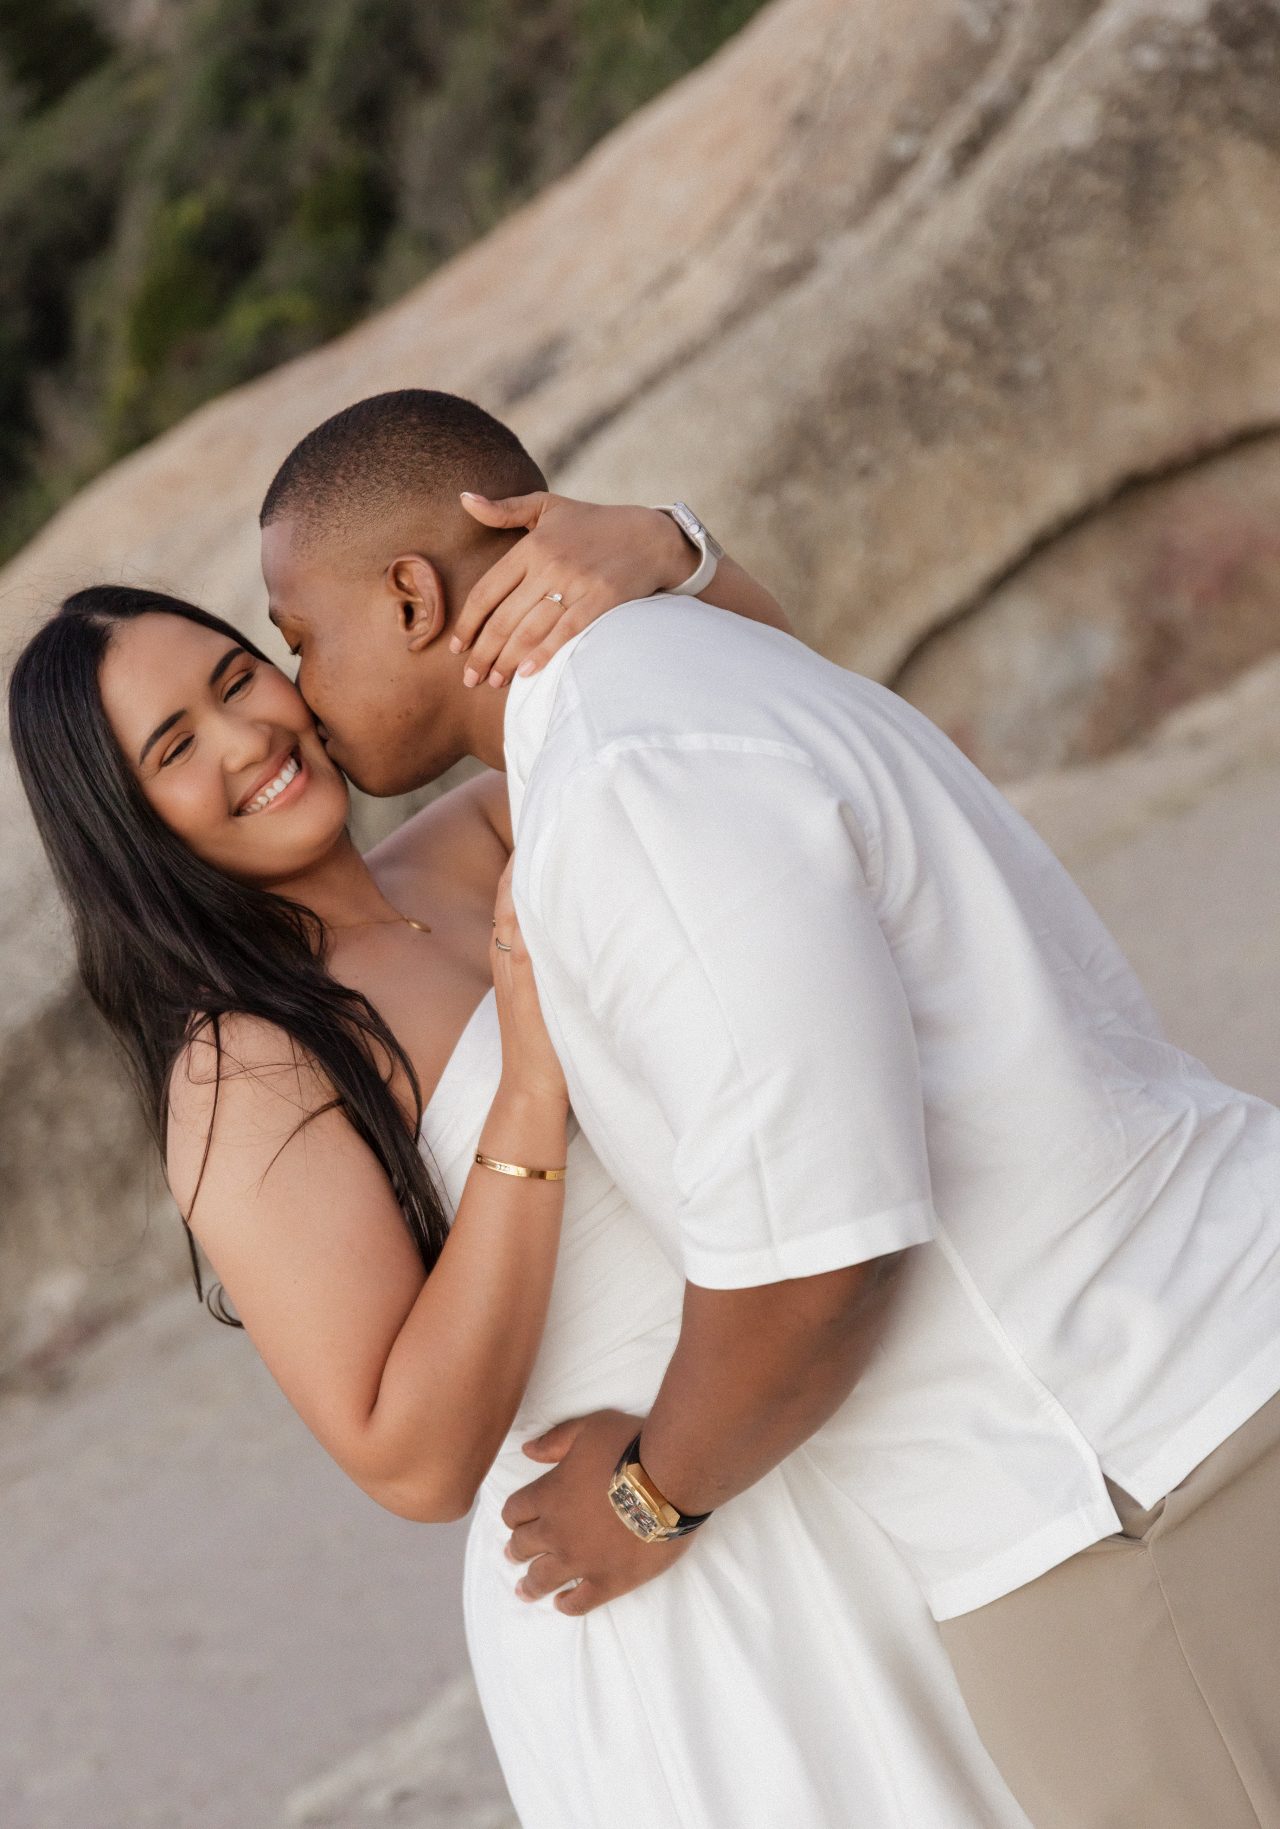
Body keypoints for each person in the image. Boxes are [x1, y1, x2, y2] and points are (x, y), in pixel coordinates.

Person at [256, 389, 1280, 1829]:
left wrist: (645, 1501)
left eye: (299, 638)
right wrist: (679, 547)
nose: (293, 690)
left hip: (1131, 1479)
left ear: (412, 596)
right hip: (1185, 1382)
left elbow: (825, 1253)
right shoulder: (683, 672)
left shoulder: (624, 777)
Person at [9, 411, 1032, 1829]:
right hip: (641, 1562)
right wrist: (533, 1084)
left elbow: (754, 703)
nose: (254, 736)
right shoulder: (243, 1066)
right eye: (180, 746)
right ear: (135, 829)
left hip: (784, 1420)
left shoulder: (489, 829)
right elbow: (406, 1455)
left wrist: (668, 549)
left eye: (247, 674)